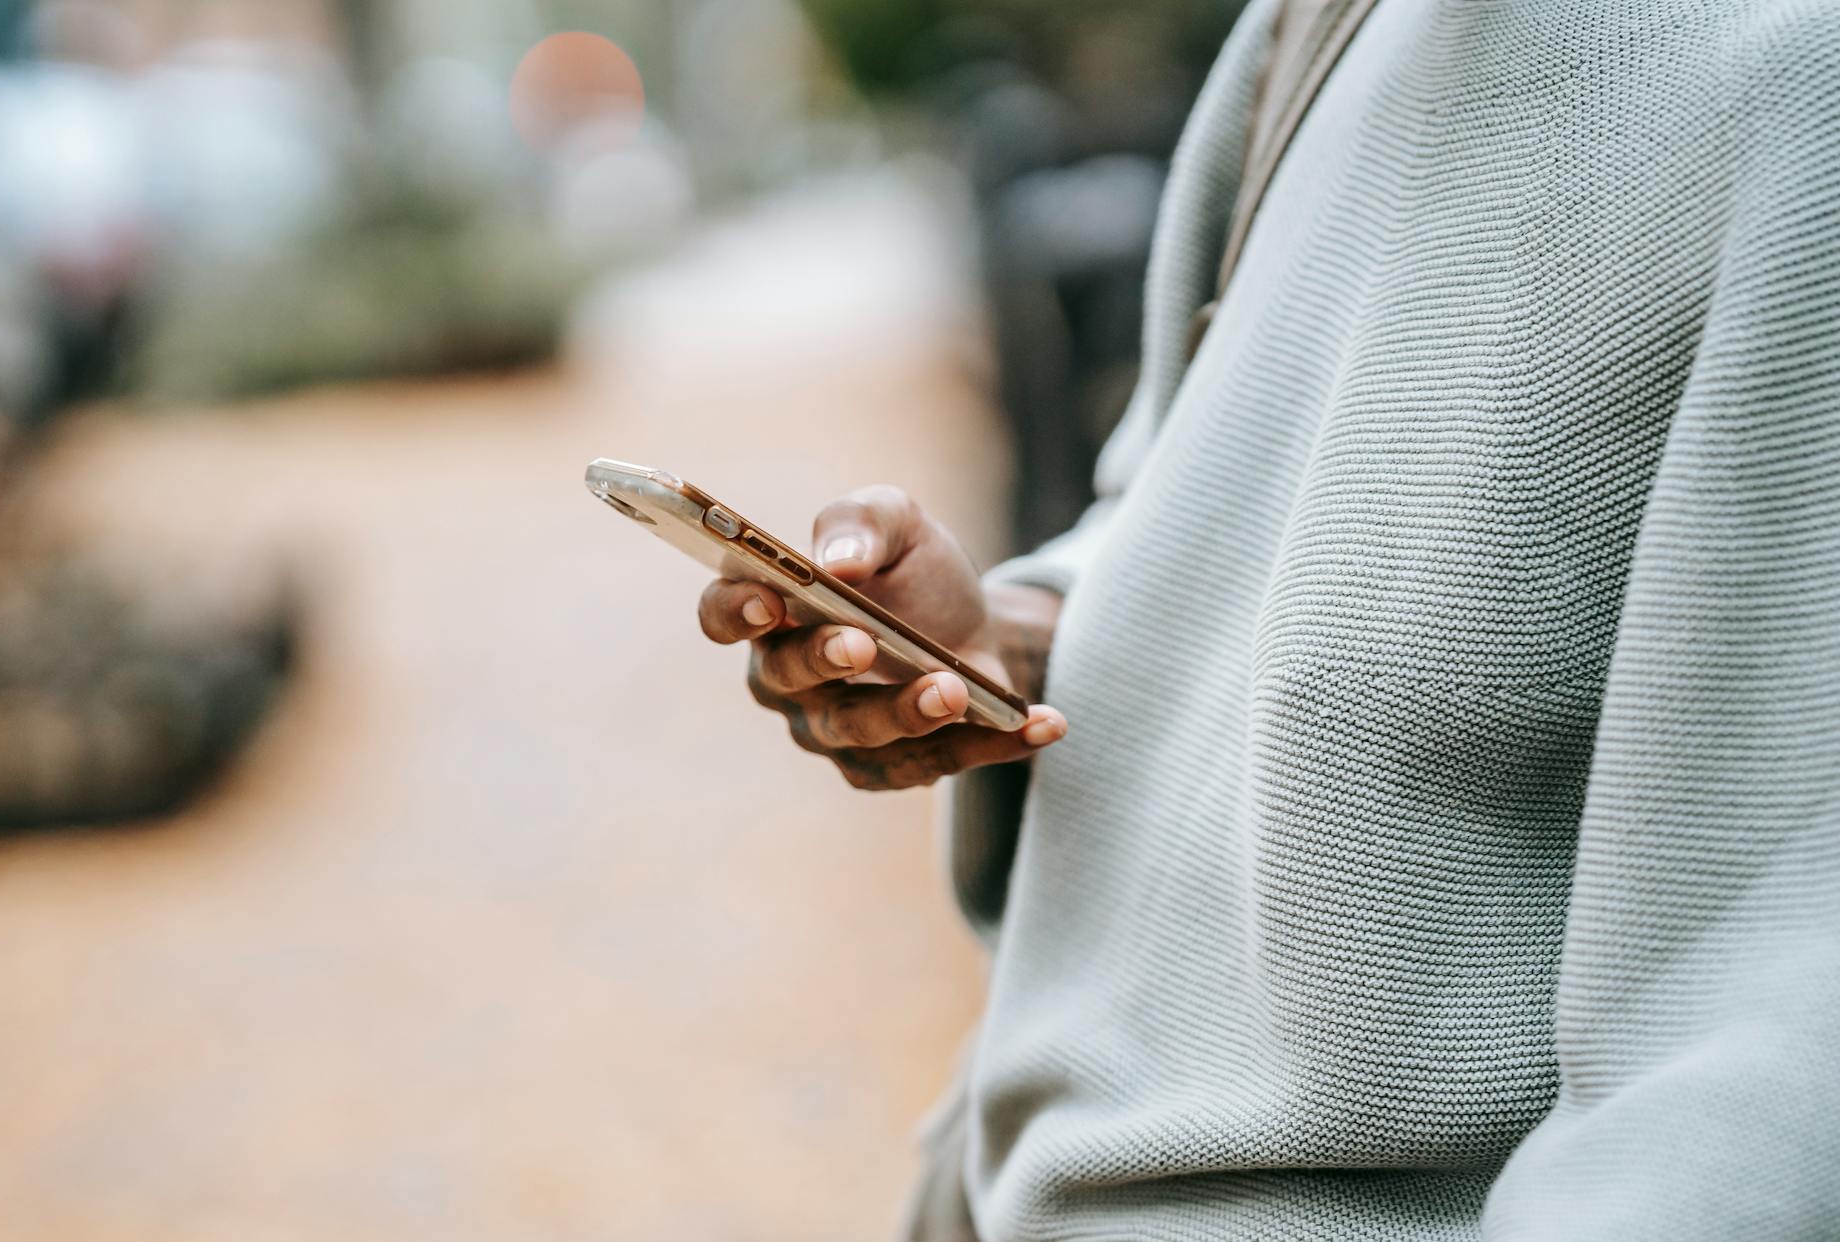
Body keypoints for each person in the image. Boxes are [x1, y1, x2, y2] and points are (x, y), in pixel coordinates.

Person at [698, 0, 1840, 1236]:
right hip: (1008, 1181)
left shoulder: (1795, 82)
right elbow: (1204, 508)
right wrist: (1011, 641)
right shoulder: (1316, 22)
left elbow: (1771, 1027)